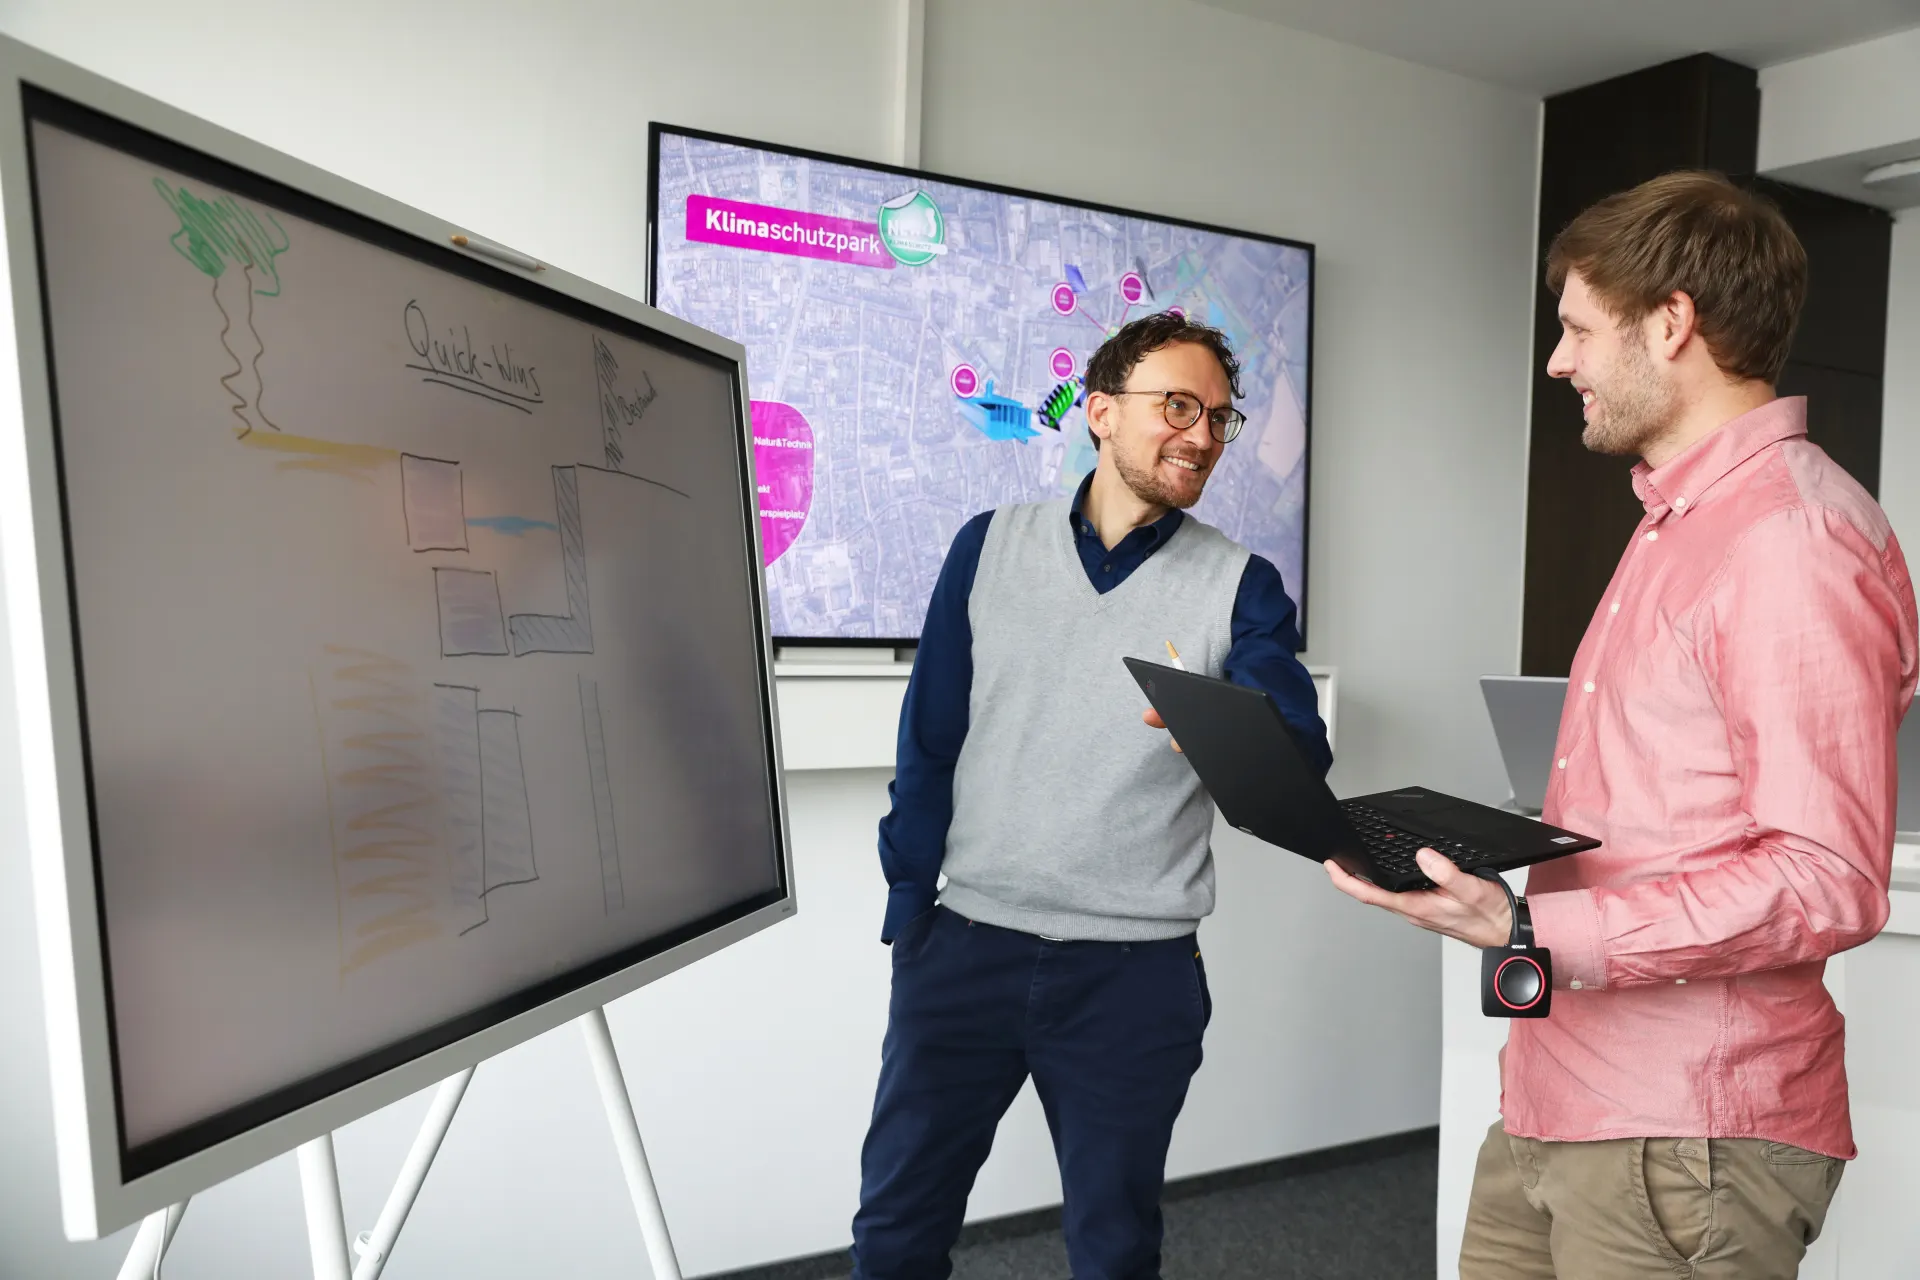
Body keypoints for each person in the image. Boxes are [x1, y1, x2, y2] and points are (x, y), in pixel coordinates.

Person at [1329, 170, 1919, 1279]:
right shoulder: (1678, 520)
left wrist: (1529, 933)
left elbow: (1824, 877)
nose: (1559, 362)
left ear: (1672, 322)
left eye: (1576, 329)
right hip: (1562, 1088)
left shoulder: (1792, 540)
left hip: (1681, 1135)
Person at [850, 312, 1328, 1280]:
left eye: (1221, 419)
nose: (1202, 435)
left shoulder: (1244, 587)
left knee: (1112, 1251)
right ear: (1102, 411)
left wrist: (1228, 719)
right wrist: (913, 920)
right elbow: (930, 741)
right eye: (1178, 406)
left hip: (1134, 975)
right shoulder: (987, 548)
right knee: (896, 1231)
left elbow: (1297, 756)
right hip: (965, 953)